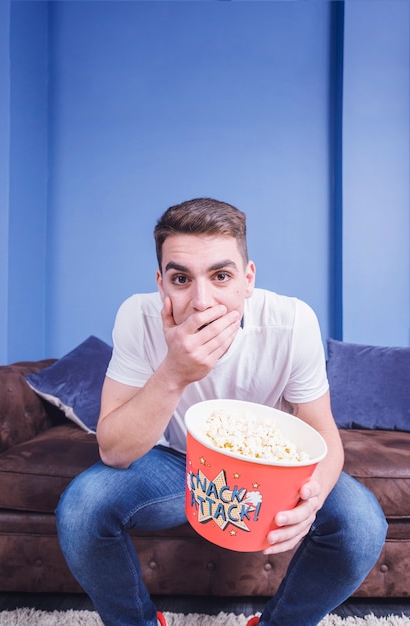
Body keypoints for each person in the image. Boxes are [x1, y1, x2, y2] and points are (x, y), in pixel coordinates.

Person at [56, 198, 387, 626]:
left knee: (361, 525)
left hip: (272, 470)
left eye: (221, 276)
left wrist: (312, 499)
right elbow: (114, 451)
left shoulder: (291, 323)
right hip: (178, 462)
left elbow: (323, 434)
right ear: (161, 284)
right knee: (82, 508)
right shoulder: (137, 318)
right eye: (180, 278)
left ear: (247, 280)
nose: (201, 300)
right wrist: (174, 373)